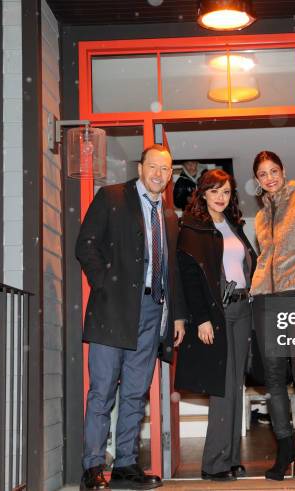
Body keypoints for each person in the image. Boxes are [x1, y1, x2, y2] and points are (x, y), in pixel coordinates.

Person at [76, 144, 187, 490]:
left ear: (171, 176)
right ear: (140, 168)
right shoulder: (112, 197)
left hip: (152, 312)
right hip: (112, 310)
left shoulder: (169, 216)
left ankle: (125, 465)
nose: (159, 174)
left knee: (136, 392)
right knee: (103, 390)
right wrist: (105, 284)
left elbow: (172, 272)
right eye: (154, 167)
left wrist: (178, 317)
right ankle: (92, 467)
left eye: (166, 170)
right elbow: (86, 245)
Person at [174, 169, 257, 481]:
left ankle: (232, 458)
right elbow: (190, 277)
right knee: (222, 387)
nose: (221, 197)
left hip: (242, 309)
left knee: (236, 386)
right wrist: (202, 318)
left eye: (226, 191)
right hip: (217, 312)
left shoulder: (234, 226)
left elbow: (248, 265)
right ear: (203, 194)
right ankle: (214, 464)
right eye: (214, 191)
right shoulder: (193, 228)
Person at [249, 151, 295, 487]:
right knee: (274, 380)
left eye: (274, 171)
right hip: (267, 301)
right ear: (258, 179)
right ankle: (285, 449)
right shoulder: (260, 217)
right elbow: (265, 258)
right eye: (263, 174)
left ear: (283, 172)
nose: (269, 178)